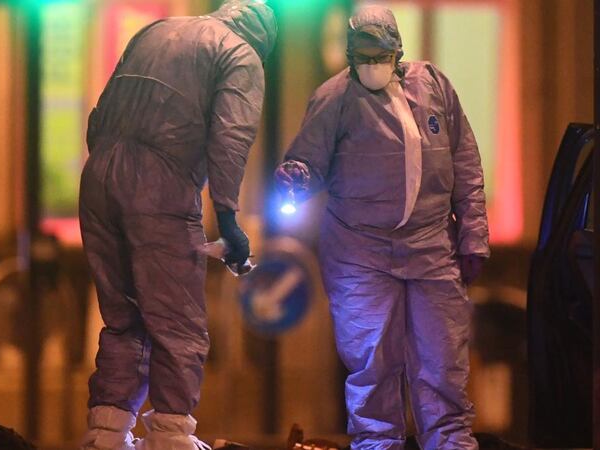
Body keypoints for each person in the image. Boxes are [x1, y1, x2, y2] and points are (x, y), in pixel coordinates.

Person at [275, 5, 489, 450]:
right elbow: (308, 160)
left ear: (398, 52)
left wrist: (473, 236)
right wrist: (296, 178)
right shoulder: (334, 98)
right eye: (364, 58)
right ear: (350, 56)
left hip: (432, 246)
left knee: (443, 359)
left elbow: (464, 162)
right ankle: (377, 443)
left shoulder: (432, 86)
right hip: (360, 253)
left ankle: (449, 441)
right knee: (372, 363)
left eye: (380, 57)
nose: (372, 66)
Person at [79, 2, 276, 449]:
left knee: (124, 319)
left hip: (98, 178)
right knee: (177, 320)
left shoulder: (156, 30)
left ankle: (107, 433)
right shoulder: (239, 53)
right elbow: (230, 137)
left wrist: (112, 168)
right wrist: (227, 217)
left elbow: (99, 114)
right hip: (159, 186)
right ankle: (170, 434)